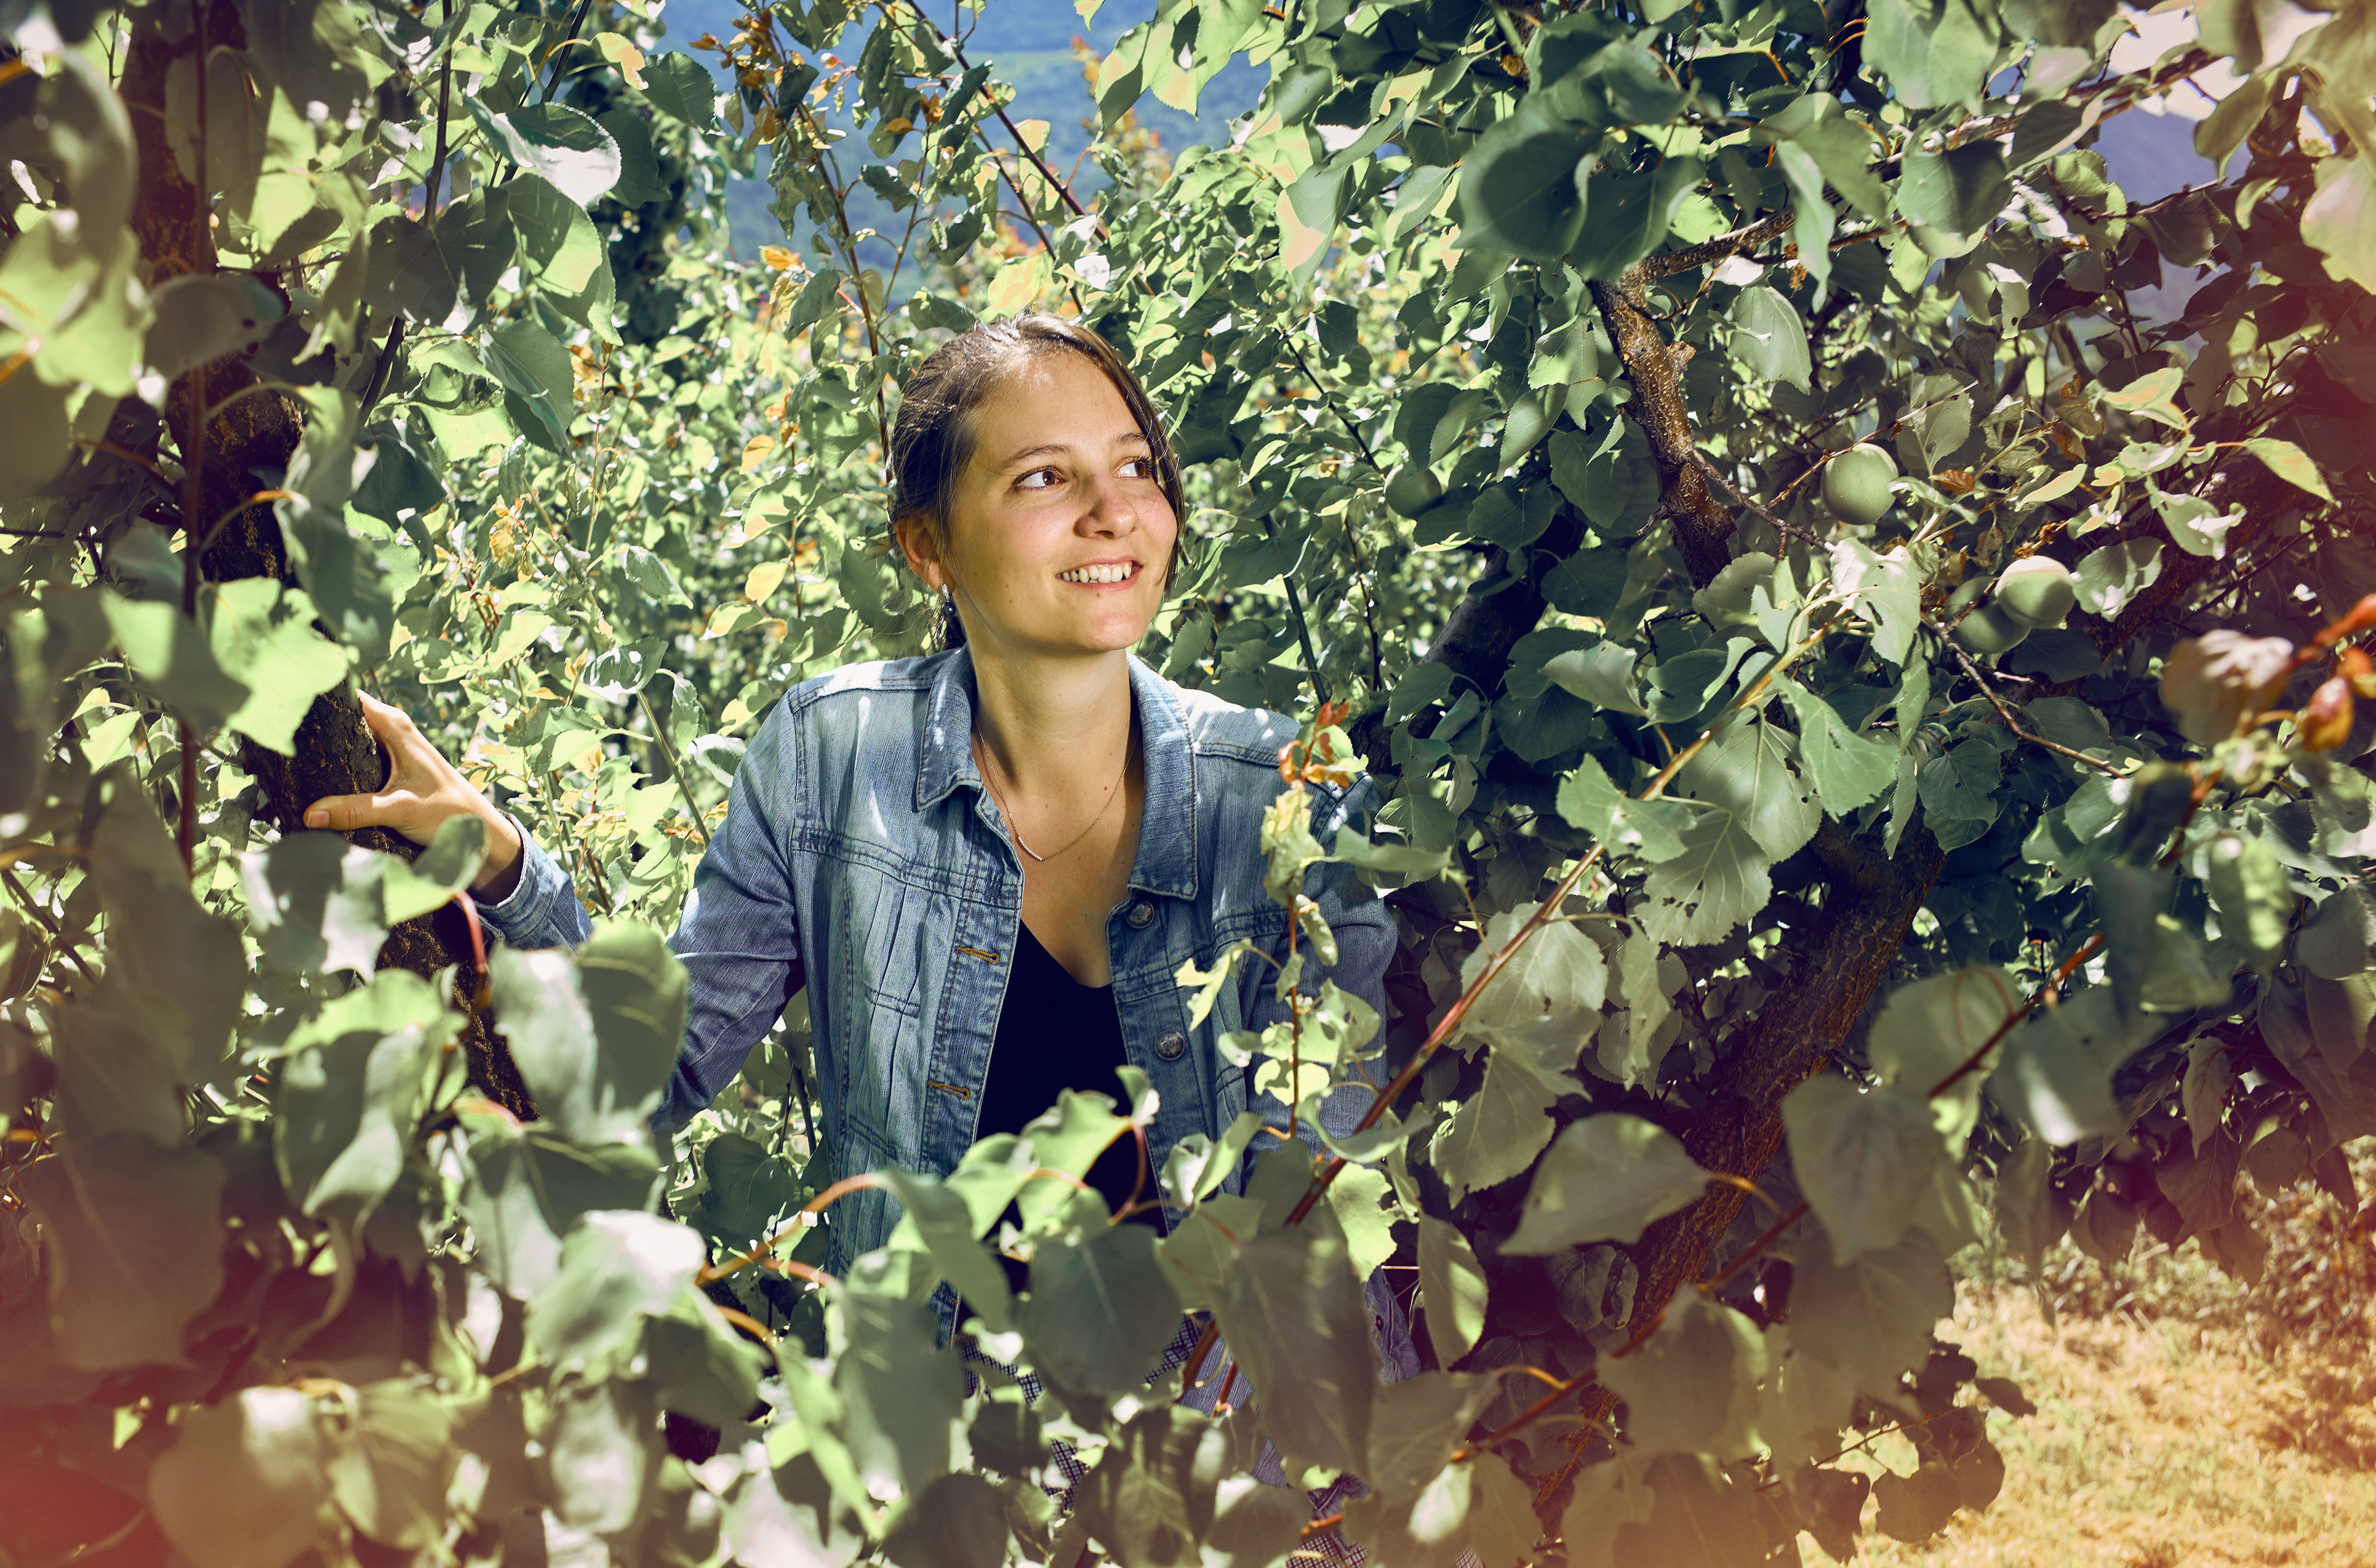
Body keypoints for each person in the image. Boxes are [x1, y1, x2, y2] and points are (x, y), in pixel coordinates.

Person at [301, 312, 1399, 1299]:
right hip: (935, 1465)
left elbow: (1328, 1238)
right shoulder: (833, 759)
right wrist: (504, 874)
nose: (1116, 512)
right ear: (929, 548)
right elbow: (653, 1079)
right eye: (1043, 480)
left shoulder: (1289, 810)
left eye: (1136, 467)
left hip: (1242, 1472)